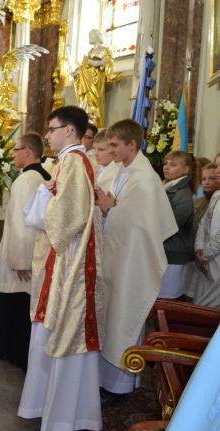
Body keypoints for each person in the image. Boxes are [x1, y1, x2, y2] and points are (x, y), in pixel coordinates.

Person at [18, 106, 103, 430]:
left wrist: (45, 197)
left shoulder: (74, 162)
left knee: (64, 335)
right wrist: (46, 193)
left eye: (52, 129)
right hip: (62, 262)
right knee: (51, 334)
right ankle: (54, 409)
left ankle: (67, 417)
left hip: (68, 268)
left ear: (69, 130)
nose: (48, 136)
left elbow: (64, 220)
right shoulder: (70, 162)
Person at [96, 119, 177, 397]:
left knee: (122, 318)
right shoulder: (117, 170)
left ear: (133, 144)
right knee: (107, 317)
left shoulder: (145, 178)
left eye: (116, 146)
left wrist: (110, 210)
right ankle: (101, 382)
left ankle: (119, 390)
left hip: (132, 261)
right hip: (111, 256)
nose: (112, 151)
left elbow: (139, 224)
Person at [0, 132, 50, 371]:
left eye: (16, 150)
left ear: (28, 152)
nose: (13, 154)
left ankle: (9, 352)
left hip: (21, 255)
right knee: (23, 304)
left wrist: (20, 261)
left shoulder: (25, 180)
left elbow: (20, 223)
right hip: (36, 252)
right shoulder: (46, 176)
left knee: (12, 303)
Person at [160, 150, 197, 300]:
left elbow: (170, 225)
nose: (166, 167)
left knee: (168, 299)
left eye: (173, 164)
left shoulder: (182, 194)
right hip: (165, 250)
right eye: (166, 163)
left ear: (185, 169)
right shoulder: (167, 187)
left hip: (174, 253)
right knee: (161, 298)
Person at [184, 163, 219, 302]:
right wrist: (199, 248)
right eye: (204, 179)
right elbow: (203, 224)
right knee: (199, 303)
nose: (207, 182)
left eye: (211, 178)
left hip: (212, 257)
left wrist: (204, 254)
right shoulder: (216, 196)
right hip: (203, 258)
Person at [73, 29, 121, 128]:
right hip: (86, 80)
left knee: (95, 101)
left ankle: (95, 121)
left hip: (97, 79)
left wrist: (98, 63)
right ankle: (86, 118)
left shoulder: (105, 50)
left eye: (91, 35)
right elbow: (85, 65)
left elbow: (109, 61)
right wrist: (78, 72)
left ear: (98, 36)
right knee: (85, 101)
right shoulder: (90, 52)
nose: (89, 37)